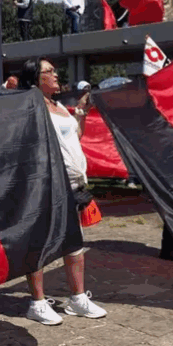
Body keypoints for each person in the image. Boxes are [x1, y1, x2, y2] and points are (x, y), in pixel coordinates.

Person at [17, 57, 106, 326]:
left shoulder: (58, 107)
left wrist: (82, 111)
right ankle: (37, 302)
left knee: (75, 244)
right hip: (46, 184)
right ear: (35, 78)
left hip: (73, 183)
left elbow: (74, 137)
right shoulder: (29, 107)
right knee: (39, 243)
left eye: (55, 71)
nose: (55, 75)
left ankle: (77, 299)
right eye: (49, 72)